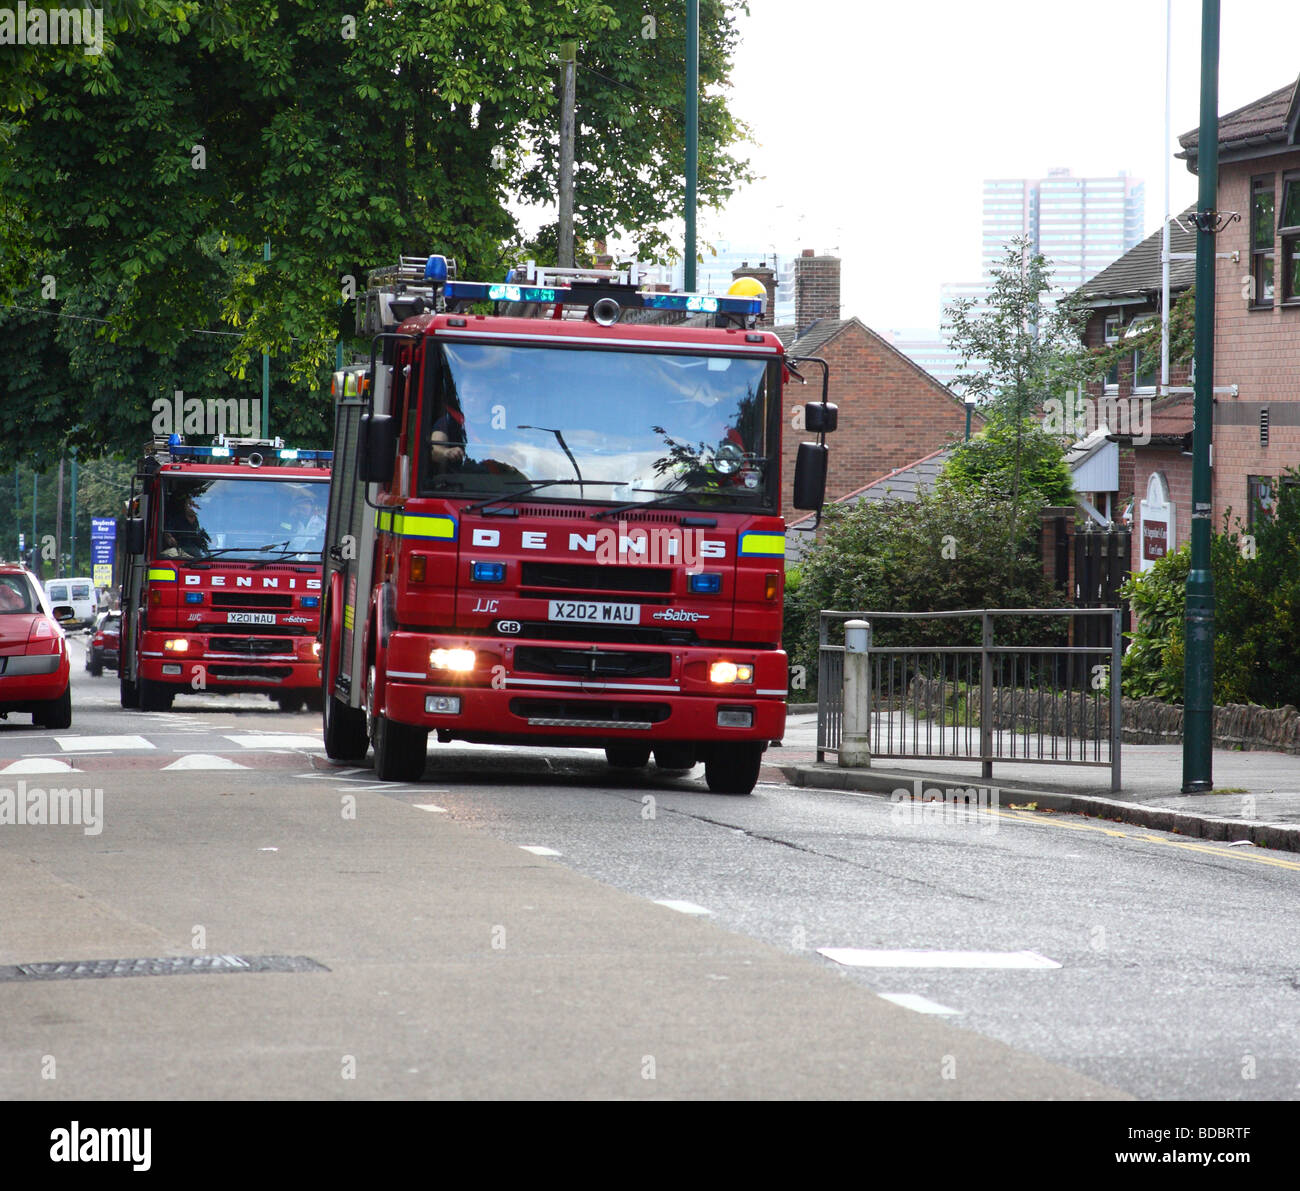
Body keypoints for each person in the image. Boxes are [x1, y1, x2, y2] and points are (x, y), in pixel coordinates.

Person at [162, 491, 209, 557]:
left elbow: (209, 537)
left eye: (193, 505)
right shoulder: (176, 519)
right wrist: (170, 538)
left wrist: (213, 540)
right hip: (181, 551)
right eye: (189, 504)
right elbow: (167, 533)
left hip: (200, 552)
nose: (191, 507)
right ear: (185, 506)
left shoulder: (203, 521)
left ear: (198, 507)